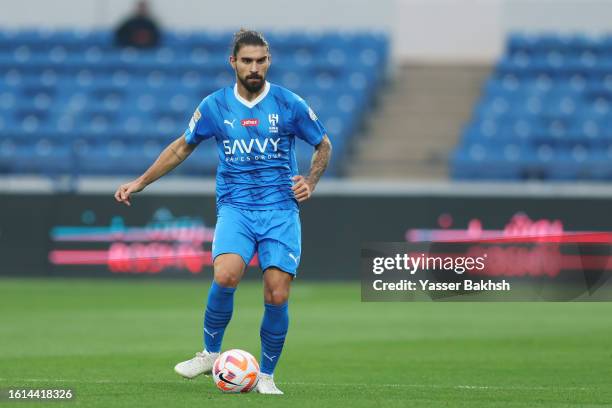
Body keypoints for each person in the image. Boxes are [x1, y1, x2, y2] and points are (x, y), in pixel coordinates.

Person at [114, 29, 332, 394]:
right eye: (247, 60)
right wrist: (140, 182)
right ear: (233, 62)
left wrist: (311, 180)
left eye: (261, 60)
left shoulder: (288, 103)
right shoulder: (215, 106)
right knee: (226, 274)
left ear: (268, 62)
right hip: (236, 208)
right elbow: (181, 148)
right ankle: (209, 352)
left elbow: (323, 143)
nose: (254, 67)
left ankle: (266, 376)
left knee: (276, 294)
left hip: (280, 210)